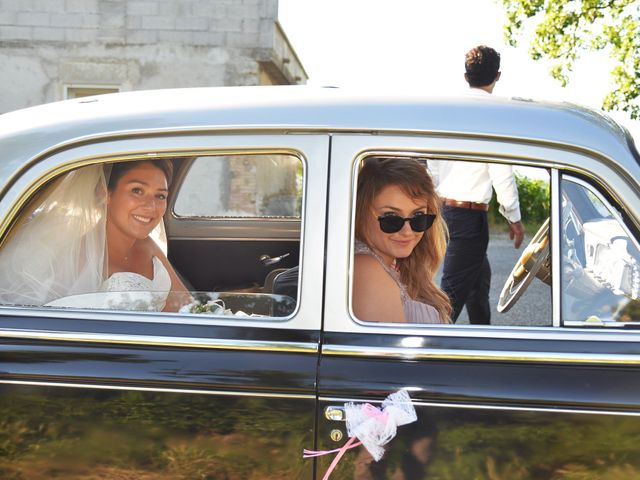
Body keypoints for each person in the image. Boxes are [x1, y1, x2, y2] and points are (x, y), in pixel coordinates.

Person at [0, 159, 189, 312]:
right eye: (137, 191)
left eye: (160, 196)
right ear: (105, 194)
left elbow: (185, 308)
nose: (151, 206)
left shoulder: (148, 246)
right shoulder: (78, 261)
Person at [429, 45, 525, 325]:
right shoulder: (496, 115)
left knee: (477, 285)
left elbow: (433, 162)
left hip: (447, 213)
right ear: (497, 75)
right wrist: (514, 218)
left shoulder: (448, 113)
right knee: (450, 298)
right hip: (470, 219)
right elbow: (502, 173)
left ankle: (482, 338)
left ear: (465, 76)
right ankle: (428, 353)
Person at [352, 157, 451, 324]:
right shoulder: (366, 269)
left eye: (418, 217)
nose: (408, 231)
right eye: (391, 218)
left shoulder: (393, 264)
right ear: (361, 213)